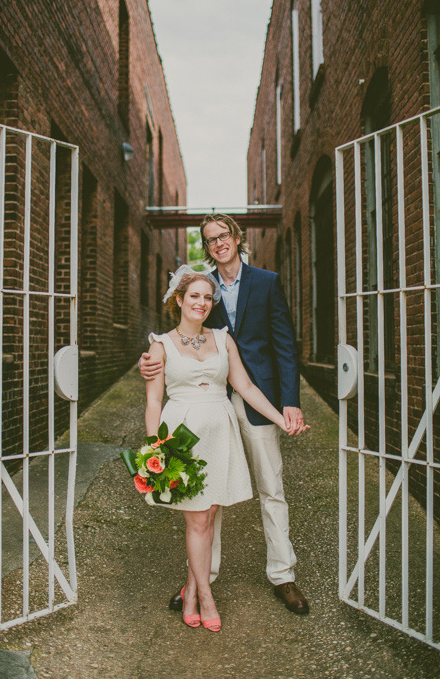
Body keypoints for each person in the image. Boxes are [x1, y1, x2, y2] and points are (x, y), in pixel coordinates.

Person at [140, 213, 310, 615]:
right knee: (204, 494)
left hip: (255, 394)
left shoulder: (266, 282)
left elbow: (284, 344)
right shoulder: (203, 288)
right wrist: (148, 363)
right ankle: (200, 581)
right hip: (209, 398)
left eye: (223, 235)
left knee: (271, 485)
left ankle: (283, 575)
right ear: (206, 247)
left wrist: (290, 400)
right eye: (209, 239)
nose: (217, 243)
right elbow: (180, 336)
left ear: (237, 237)